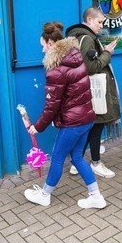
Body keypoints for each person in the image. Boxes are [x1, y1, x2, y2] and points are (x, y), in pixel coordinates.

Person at [24, 22, 107, 209]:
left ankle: (45, 195)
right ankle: (96, 196)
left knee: (58, 157)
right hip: (86, 117)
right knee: (77, 157)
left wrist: (37, 127)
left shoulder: (56, 70)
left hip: (73, 122)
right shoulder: (75, 56)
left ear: (51, 43)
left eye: (43, 45)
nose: (43, 49)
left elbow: (51, 106)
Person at [65, 7, 122, 178]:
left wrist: (103, 52)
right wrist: (107, 54)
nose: (101, 26)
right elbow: (89, 68)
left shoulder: (78, 36)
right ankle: (95, 163)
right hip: (93, 91)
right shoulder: (87, 38)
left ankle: (77, 162)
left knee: (92, 127)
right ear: (89, 20)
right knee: (96, 126)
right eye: (99, 22)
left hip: (85, 91)